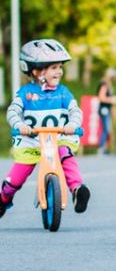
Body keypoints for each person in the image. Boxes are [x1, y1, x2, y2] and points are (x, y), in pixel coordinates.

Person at [1, 39, 90, 219]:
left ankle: (77, 189)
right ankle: (3, 198)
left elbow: (75, 110)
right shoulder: (25, 93)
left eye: (60, 67)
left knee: (65, 153)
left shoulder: (63, 92)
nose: (59, 71)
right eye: (53, 67)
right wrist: (20, 125)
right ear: (36, 71)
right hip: (31, 140)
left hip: (58, 138)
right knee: (17, 177)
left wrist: (73, 124)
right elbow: (13, 111)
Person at [97, 67, 116, 155]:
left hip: (107, 109)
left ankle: (105, 148)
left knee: (108, 129)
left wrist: (112, 109)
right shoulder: (104, 84)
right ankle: (101, 148)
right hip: (104, 109)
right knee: (106, 129)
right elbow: (101, 97)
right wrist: (112, 99)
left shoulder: (108, 84)